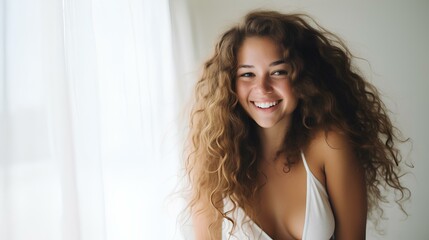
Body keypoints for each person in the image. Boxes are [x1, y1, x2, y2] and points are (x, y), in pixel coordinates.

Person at [184, 10, 410, 240]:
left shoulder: (329, 145)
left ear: (305, 78)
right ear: (230, 83)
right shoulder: (215, 156)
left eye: (278, 72)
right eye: (247, 74)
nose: (263, 88)